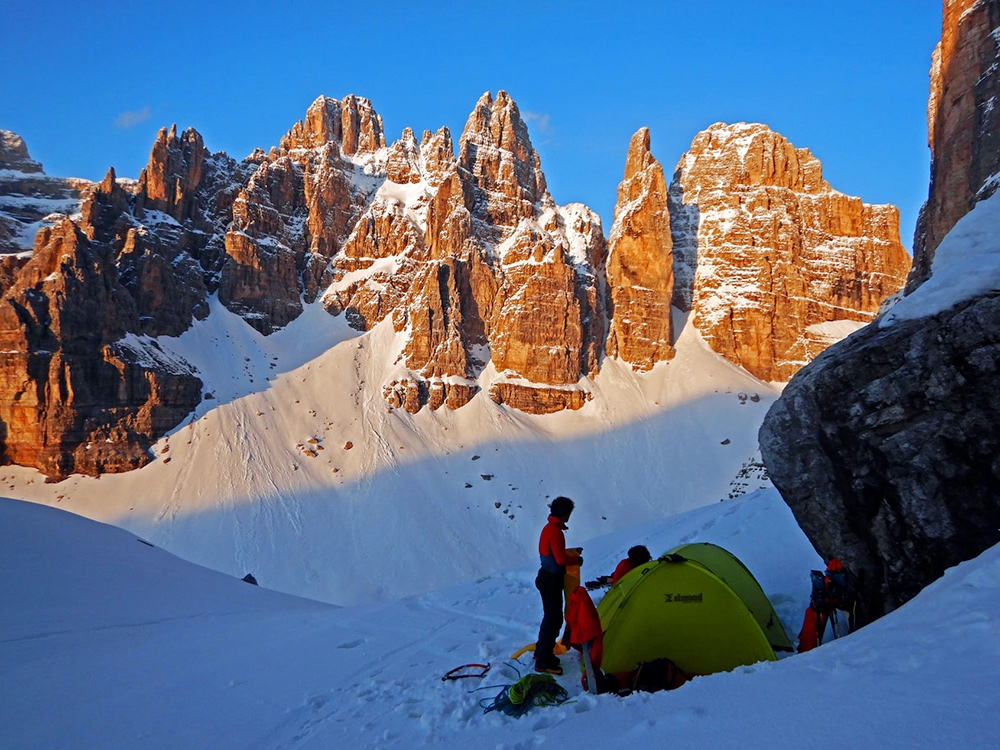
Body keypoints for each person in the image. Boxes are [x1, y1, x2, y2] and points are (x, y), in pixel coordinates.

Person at [535, 496, 582, 675]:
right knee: (554, 620)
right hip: (551, 580)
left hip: (545, 577)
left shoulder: (549, 528)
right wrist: (576, 560)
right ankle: (543, 661)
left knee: (549, 618)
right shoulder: (556, 532)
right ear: (565, 514)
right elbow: (560, 558)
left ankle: (542, 652)